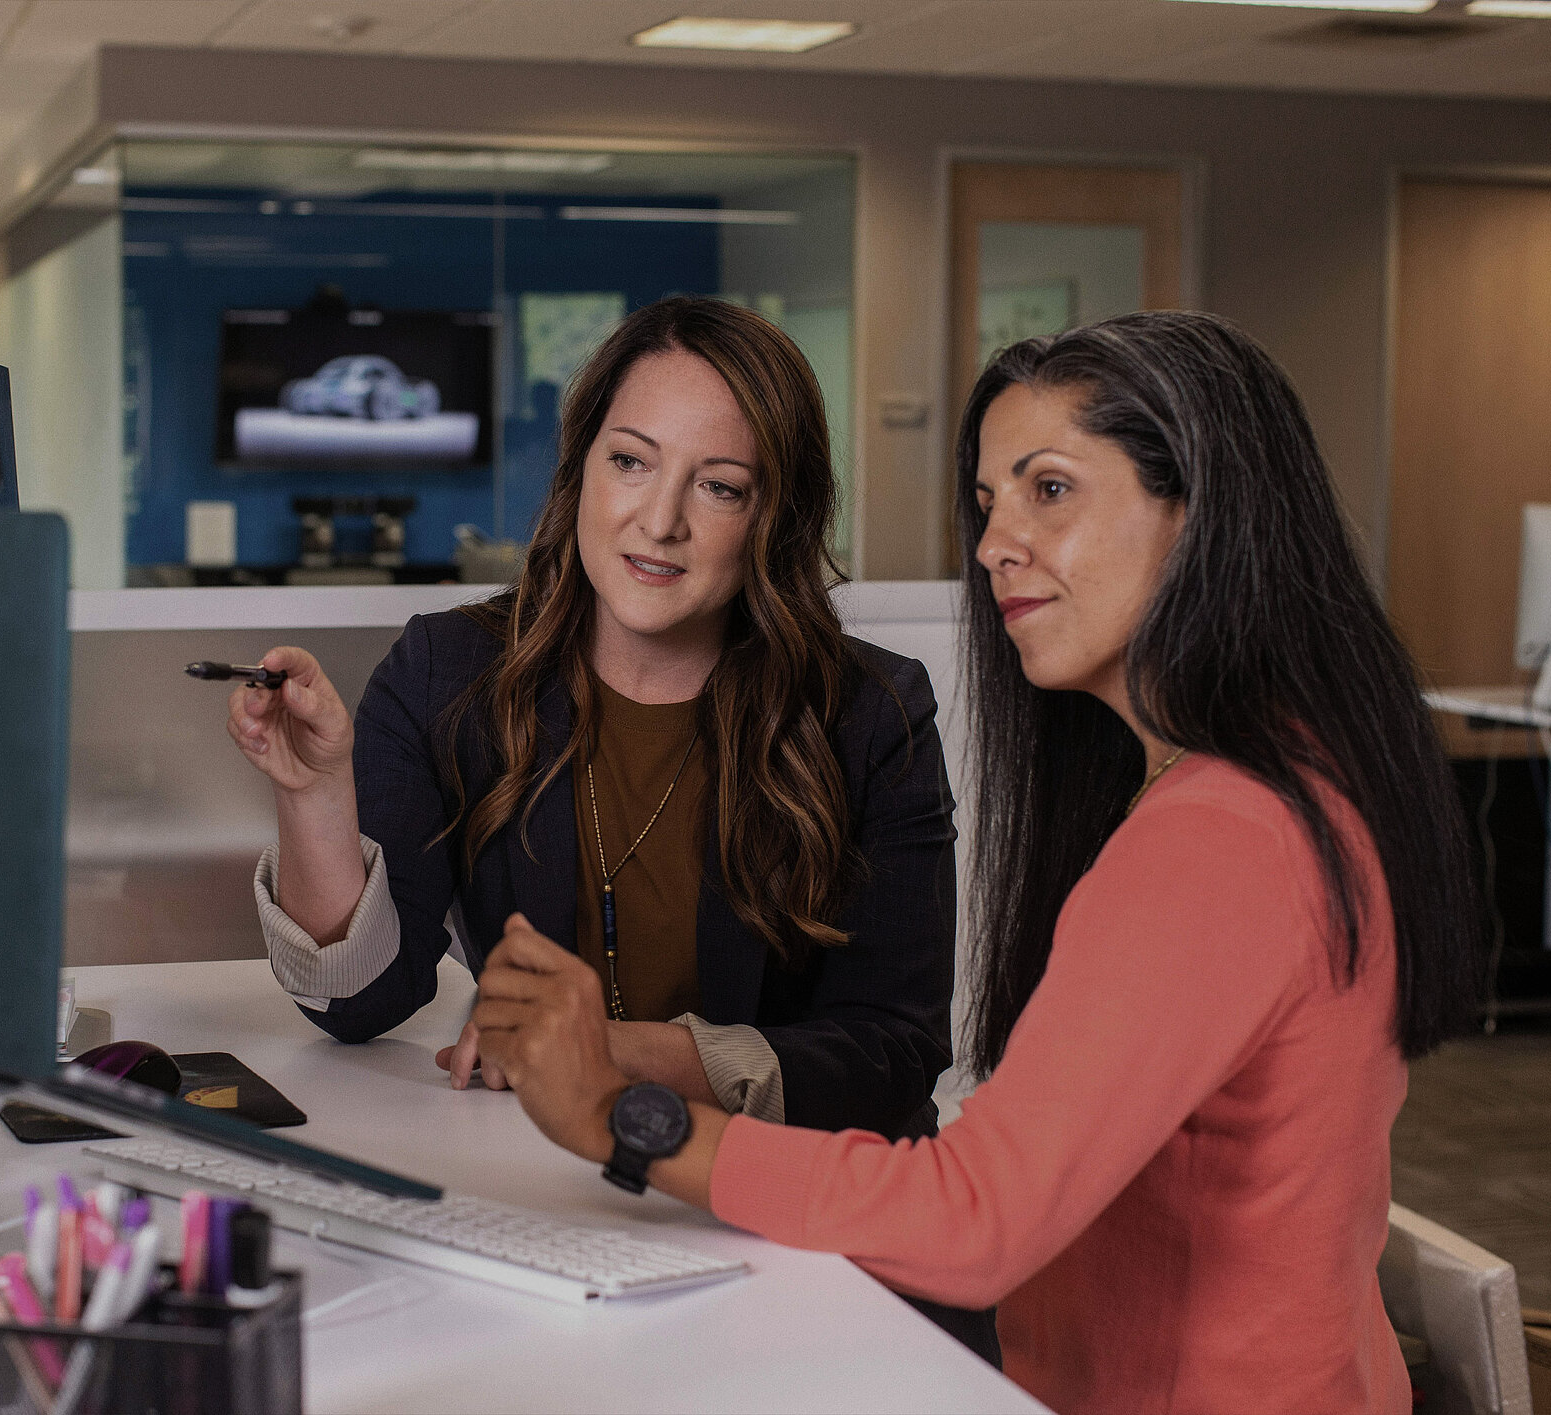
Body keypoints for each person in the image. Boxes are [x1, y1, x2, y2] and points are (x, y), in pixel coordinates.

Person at [466, 311, 1484, 1415]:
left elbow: (976, 1220)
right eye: (990, 500)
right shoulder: (1299, 775)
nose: (997, 541)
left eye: (1050, 489)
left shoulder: (1222, 836)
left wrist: (620, 1114)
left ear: (1202, 512)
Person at [226, 297, 996, 1358]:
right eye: (632, 461)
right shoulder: (449, 672)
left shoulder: (871, 711)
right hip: (561, 1223)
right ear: (582, 466)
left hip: (802, 1241)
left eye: (718, 486)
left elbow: (894, 1049)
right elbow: (362, 1001)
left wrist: (620, 1059)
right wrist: (314, 792)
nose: (659, 520)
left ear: (775, 515)